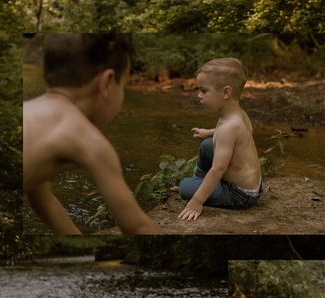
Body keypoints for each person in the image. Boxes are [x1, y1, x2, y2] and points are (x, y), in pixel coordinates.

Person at [23, 33, 159, 235]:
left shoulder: (29, 112)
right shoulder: (87, 138)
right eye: (123, 87)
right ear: (107, 82)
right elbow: (136, 226)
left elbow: (45, 204)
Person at [172, 57, 262, 221]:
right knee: (207, 145)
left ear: (226, 92)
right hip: (253, 186)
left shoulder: (228, 127)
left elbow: (217, 170)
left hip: (239, 194)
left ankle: (195, 186)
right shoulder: (238, 115)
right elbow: (240, 134)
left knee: (184, 187)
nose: (199, 95)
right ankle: (198, 182)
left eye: (204, 91)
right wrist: (209, 132)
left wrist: (196, 201)